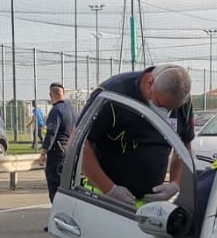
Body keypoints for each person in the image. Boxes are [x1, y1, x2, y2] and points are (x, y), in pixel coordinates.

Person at [81, 63, 194, 206]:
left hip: (148, 204)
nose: (165, 112)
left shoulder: (182, 101)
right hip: (103, 199)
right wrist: (109, 189)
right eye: (160, 104)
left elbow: (184, 146)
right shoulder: (112, 95)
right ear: (149, 84)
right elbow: (80, 142)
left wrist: (175, 184)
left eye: (171, 109)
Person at [35, 83, 76, 201]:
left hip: (57, 154)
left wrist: (43, 152)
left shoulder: (56, 110)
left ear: (50, 95)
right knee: (68, 187)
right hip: (70, 153)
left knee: (55, 188)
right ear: (63, 93)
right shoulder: (71, 109)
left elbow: (51, 133)